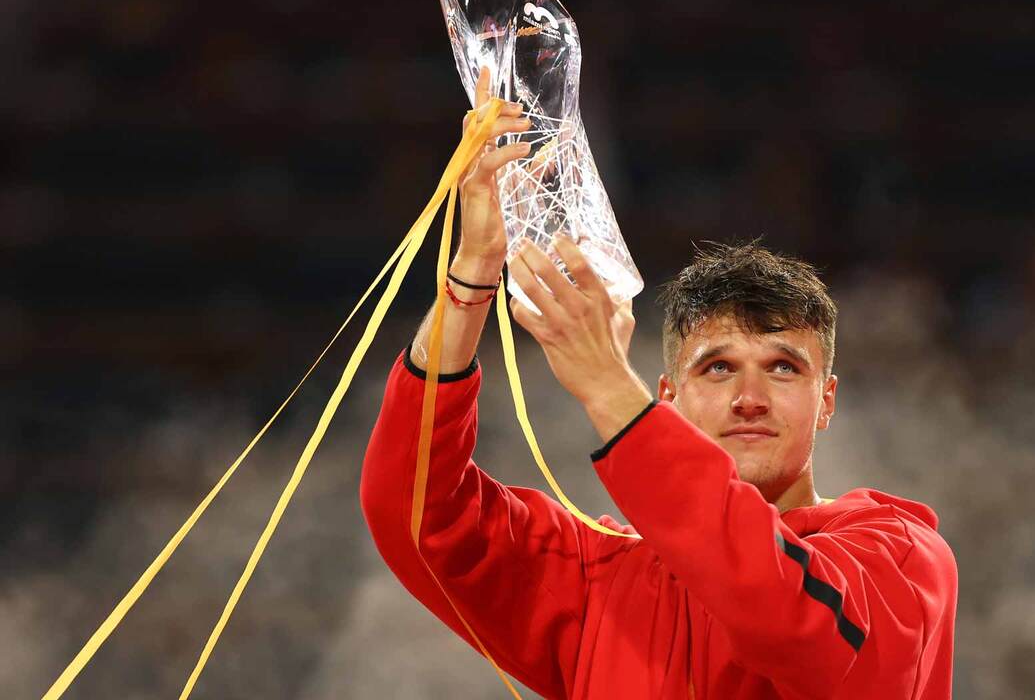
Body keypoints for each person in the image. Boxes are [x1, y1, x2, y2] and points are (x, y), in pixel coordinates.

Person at [360, 82, 958, 699]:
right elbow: (416, 514)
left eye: (783, 368)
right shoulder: (598, 578)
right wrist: (473, 274)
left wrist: (608, 387)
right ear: (668, 395)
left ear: (825, 400)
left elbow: (791, 623)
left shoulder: (898, 556)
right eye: (717, 368)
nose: (749, 396)